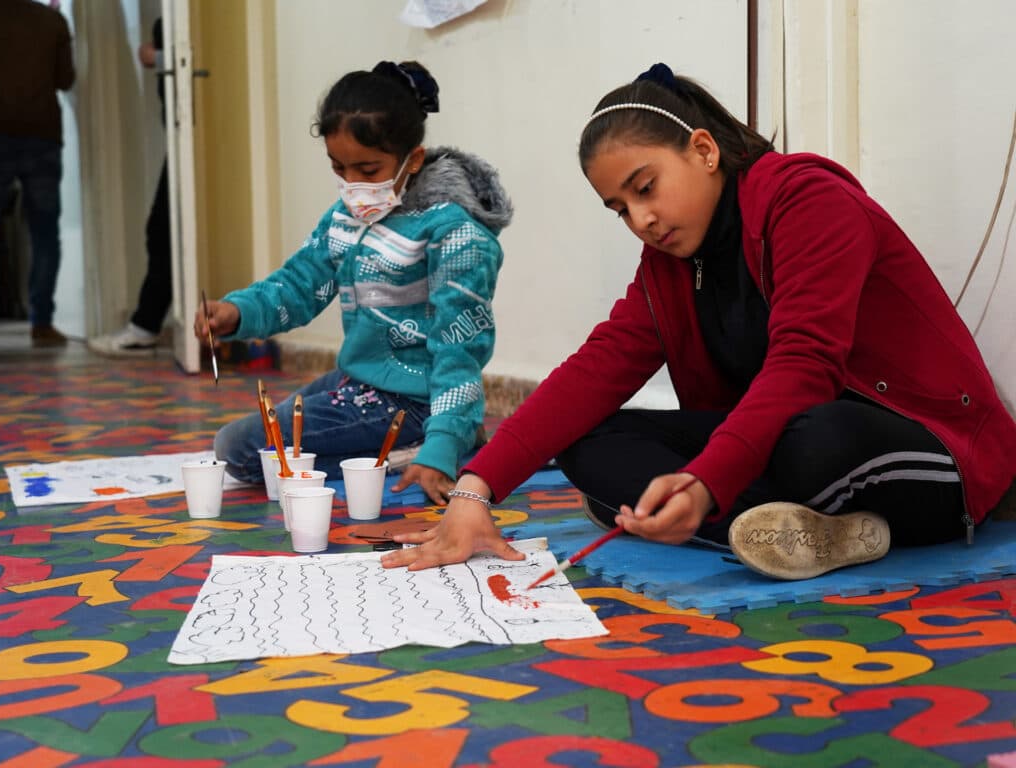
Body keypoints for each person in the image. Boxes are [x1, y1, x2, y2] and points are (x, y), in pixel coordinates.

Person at [382, 63, 1016, 581]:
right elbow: (594, 371)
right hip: (780, 450)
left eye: (646, 186)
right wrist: (475, 489)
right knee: (590, 442)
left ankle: (721, 516)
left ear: (704, 150)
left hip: (926, 446)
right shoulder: (667, 266)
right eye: (620, 209)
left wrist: (709, 480)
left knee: (815, 437)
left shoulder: (808, 201)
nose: (642, 219)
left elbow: (806, 364)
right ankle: (797, 532)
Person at [195, 61, 512, 504]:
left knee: (244, 450)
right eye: (339, 168)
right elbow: (302, 283)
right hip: (357, 381)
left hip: (415, 401)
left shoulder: (457, 234)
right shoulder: (347, 215)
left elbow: (459, 350)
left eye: (368, 169)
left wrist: (443, 440)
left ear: (413, 159)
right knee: (257, 440)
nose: (353, 185)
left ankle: (439, 444)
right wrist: (238, 312)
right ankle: (403, 447)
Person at [0, 0, 76, 346]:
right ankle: (41, 323)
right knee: (44, 234)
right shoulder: (51, 20)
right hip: (42, 134)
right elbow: (65, 79)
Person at [90, 17, 171, 356]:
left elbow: (191, 56)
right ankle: (145, 325)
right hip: (181, 139)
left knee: (162, 230)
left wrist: (160, 59)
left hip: (197, 137)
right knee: (161, 230)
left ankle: (144, 326)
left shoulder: (181, 22)